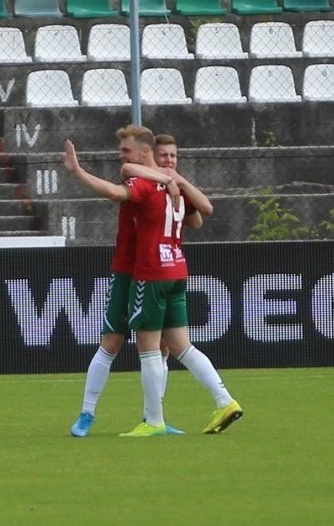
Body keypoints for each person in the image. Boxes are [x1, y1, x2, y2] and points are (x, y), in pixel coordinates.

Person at [64, 126, 238, 436]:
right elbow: (129, 175)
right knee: (118, 342)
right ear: (153, 156)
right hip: (140, 270)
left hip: (150, 271)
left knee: (158, 347)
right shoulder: (149, 180)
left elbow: (197, 216)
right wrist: (170, 180)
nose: (169, 161)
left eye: (173, 156)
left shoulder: (155, 184)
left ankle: (154, 419)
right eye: (165, 156)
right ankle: (88, 414)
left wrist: (175, 181)